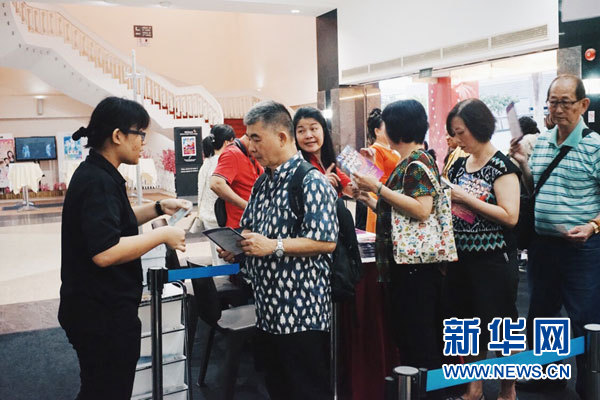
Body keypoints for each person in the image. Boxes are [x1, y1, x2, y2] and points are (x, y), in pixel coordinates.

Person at [58, 97, 189, 400]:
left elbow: (119, 221)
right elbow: (105, 252)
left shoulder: (99, 172)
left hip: (96, 308)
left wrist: (159, 207)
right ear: (118, 136)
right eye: (140, 133)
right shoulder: (98, 181)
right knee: (106, 391)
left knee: (99, 388)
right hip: (100, 313)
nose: (143, 142)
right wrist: (162, 235)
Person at [219, 100, 338, 400]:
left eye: (256, 139)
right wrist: (238, 245)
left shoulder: (311, 181)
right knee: (278, 387)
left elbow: (325, 241)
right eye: (249, 139)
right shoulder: (263, 182)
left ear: (282, 137)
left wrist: (274, 246)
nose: (251, 147)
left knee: (307, 390)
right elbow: (251, 228)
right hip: (268, 310)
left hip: (302, 313)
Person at [510, 74, 600, 398]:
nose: (558, 109)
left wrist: (593, 226)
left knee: (584, 317)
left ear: (583, 105)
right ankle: (547, 376)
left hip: (582, 248)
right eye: (553, 102)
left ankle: (590, 383)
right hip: (543, 245)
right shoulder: (543, 142)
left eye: (566, 103)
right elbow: (536, 185)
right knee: (542, 314)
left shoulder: (595, 146)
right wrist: (523, 164)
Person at [352, 99, 445, 398]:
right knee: (411, 337)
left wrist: (378, 188)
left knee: (419, 339)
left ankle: (428, 393)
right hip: (410, 264)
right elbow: (399, 214)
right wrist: (369, 198)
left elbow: (421, 209)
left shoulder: (416, 163)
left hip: (415, 267)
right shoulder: (410, 162)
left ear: (396, 129)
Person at [445, 98, 521, 400]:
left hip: (494, 260)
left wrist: (466, 199)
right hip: (462, 258)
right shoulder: (458, 165)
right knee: (467, 325)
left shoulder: (502, 167)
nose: (457, 140)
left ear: (478, 127)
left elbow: (510, 216)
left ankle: (508, 390)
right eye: (454, 133)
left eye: (460, 132)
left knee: (501, 328)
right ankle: (473, 388)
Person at [196, 124, 235, 265]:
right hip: (220, 218)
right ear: (227, 142)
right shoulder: (223, 161)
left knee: (216, 258)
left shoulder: (207, 162)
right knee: (224, 261)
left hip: (207, 216)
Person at [292, 106, 353, 196]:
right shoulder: (296, 166)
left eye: (313, 129)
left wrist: (366, 168)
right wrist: (320, 184)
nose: (308, 135)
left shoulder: (328, 165)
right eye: (301, 131)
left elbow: (354, 191)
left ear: (324, 131)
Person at [210, 128, 263, 230]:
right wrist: (248, 207)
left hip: (253, 222)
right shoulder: (232, 153)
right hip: (240, 225)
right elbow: (216, 184)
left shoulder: (248, 154)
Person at [362, 108, 400, 233]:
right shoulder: (375, 150)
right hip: (380, 199)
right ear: (377, 131)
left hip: (390, 197)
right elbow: (376, 179)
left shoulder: (392, 150)